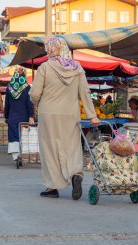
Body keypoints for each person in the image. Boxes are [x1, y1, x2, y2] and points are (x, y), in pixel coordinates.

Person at [30, 37, 99, 199]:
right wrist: (92, 115)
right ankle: (76, 174)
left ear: (49, 49)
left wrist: (37, 104)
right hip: (71, 114)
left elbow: (34, 94)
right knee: (72, 146)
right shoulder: (77, 68)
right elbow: (85, 93)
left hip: (48, 114)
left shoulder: (45, 67)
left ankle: (52, 187)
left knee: (50, 149)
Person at [4, 67, 34, 161]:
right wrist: (31, 116)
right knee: (24, 136)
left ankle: (16, 156)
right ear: (24, 76)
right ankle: (24, 154)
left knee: (13, 135)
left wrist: (6, 116)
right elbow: (30, 103)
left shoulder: (9, 88)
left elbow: (7, 105)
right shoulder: (27, 87)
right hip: (24, 116)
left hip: (12, 116)